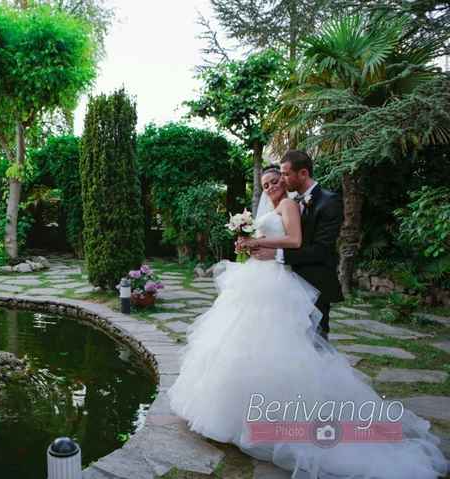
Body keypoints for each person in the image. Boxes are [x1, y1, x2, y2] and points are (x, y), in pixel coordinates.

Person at [167, 165, 448, 479]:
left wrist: (267, 249)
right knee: (241, 341)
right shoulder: (273, 207)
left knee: (277, 343)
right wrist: (248, 244)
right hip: (257, 277)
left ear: (284, 182)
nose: (272, 186)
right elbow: (270, 239)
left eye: (276, 181)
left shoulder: (288, 205)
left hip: (275, 280)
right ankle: (238, 413)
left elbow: (295, 240)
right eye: (266, 183)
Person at [247, 150, 343, 341]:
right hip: (291, 280)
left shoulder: (328, 201)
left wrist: (276, 254)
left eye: (285, 174)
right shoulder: (293, 201)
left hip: (316, 283)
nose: (282, 179)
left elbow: (321, 250)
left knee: (315, 343)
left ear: (303, 173)